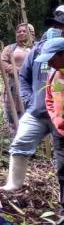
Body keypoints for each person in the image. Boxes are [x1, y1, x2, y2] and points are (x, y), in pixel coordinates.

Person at [0, 13, 64, 191]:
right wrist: (30, 100)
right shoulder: (38, 51)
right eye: (56, 26)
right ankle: (13, 185)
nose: (57, 30)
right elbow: (24, 76)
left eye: (61, 26)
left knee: (62, 159)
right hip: (37, 111)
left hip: (60, 117)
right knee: (20, 144)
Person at [38, 38, 64, 210]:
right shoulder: (53, 74)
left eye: (51, 58)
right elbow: (49, 99)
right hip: (60, 133)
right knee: (62, 171)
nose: (49, 62)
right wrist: (56, 119)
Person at [0, 23, 35, 133]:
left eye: (24, 31)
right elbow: (3, 63)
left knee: (32, 110)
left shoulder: (37, 48)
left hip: (33, 84)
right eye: (19, 31)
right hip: (14, 84)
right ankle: (15, 134)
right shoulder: (10, 48)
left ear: (32, 34)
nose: (21, 33)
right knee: (13, 111)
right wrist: (18, 71)